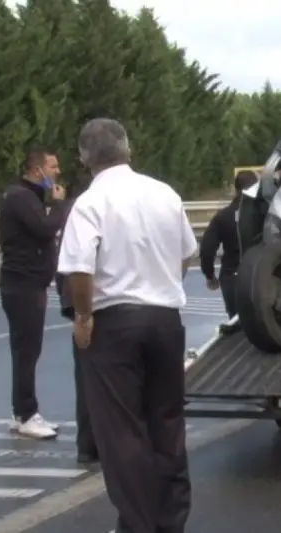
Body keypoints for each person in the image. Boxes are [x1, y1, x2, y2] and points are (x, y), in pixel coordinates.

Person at [58, 118, 196, 533]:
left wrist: (83, 317)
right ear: (128, 149)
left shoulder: (89, 203)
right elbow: (186, 253)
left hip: (114, 322)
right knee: (167, 422)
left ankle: (138, 524)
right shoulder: (164, 194)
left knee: (122, 432)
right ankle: (172, 520)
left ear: (84, 159)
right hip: (165, 318)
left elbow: (79, 270)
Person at [0, 146, 67, 440]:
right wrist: (61, 205)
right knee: (27, 350)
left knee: (24, 350)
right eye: (52, 167)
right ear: (37, 170)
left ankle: (19, 411)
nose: (57, 172)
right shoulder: (21, 197)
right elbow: (44, 229)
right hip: (23, 284)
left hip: (25, 283)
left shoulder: (25, 196)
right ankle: (27, 414)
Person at [54, 177, 98, 464]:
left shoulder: (74, 212)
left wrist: (73, 312)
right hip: (99, 309)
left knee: (86, 380)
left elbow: (63, 270)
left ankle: (88, 446)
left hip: (83, 308)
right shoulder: (86, 212)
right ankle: (98, 445)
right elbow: (76, 269)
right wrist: (80, 314)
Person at [199, 170, 258, 318]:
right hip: (258, 276)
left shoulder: (223, 216)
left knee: (236, 322)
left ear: (236, 188)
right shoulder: (265, 213)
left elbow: (207, 247)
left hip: (231, 277)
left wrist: (210, 274)